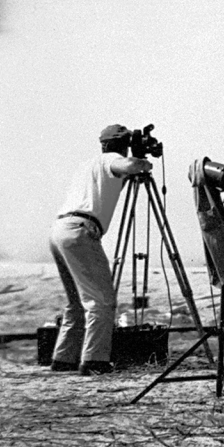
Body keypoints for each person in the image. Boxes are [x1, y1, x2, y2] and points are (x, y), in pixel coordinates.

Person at [48, 124, 151, 375]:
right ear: (122, 145)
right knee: (101, 301)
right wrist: (141, 162)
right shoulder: (111, 159)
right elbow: (129, 167)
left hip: (60, 229)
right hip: (80, 231)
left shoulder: (89, 164)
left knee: (76, 303)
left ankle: (64, 359)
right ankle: (94, 361)